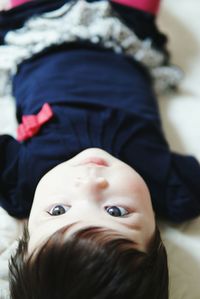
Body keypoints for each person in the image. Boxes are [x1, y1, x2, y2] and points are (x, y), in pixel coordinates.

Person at [0, 0, 200, 298]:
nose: (90, 182)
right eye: (116, 211)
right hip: (125, 33)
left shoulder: (21, 180)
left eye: (58, 210)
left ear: (27, 227)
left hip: (44, 30)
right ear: (156, 236)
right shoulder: (174, 191)